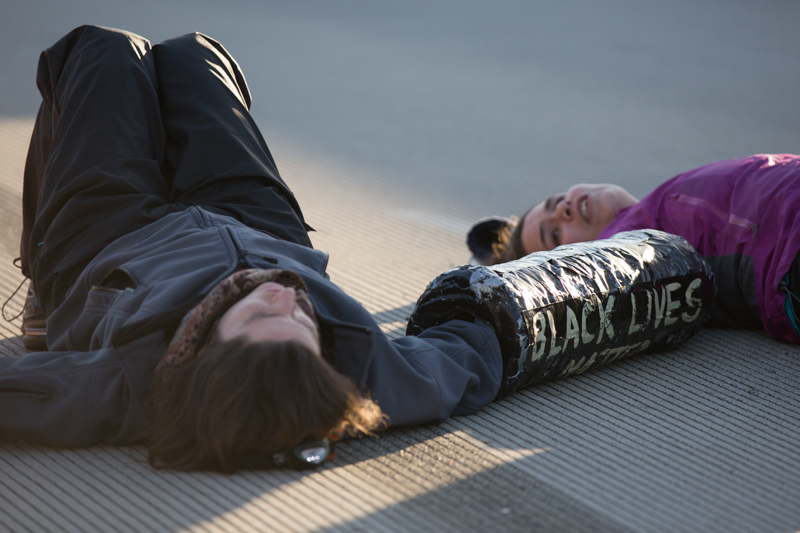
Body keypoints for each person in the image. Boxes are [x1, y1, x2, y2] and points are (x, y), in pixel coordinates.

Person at [0, 26, 502, 472]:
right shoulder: (367, 371)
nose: (284, 297)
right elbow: (471, 356)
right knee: (194, 55)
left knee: (103, 50)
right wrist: (508, 304)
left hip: (113, 245)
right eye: (303, 323)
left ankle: (43, 293)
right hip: (263, 231)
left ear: (204, 355)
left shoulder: (122, 383)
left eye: (260, 316)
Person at [469, 155, 800, 344]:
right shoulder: (629, 251)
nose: (565, 208)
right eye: (554, 234)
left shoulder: (653, 210)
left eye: (557, 201)